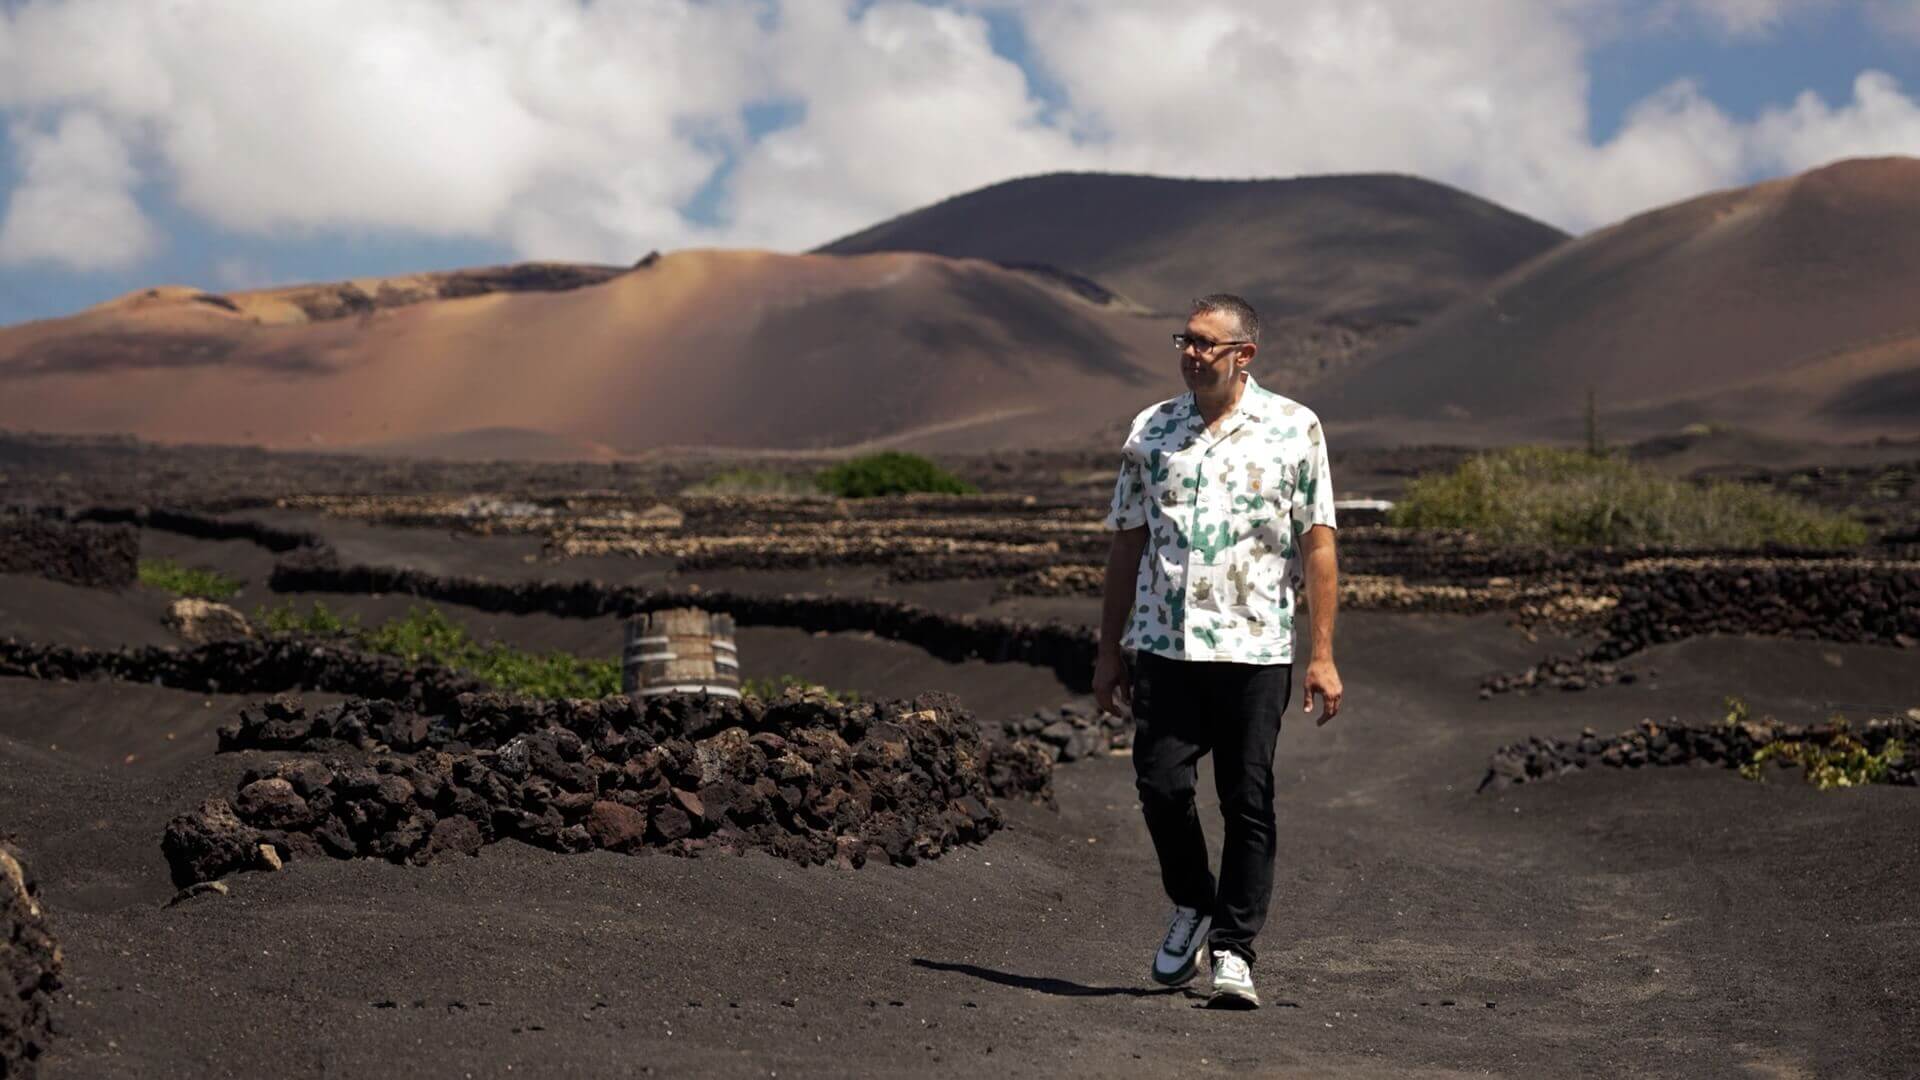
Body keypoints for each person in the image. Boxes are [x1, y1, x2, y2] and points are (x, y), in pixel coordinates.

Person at [1094, 293, 1343, 1009]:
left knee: (1247, 799)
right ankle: (1193, 902)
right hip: (1167, 647)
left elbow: (1318, 546)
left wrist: (1321, 654)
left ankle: (1234, 951)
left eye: (1206, 343)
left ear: (1244, 354)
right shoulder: (1153, 428)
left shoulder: (1295, 429)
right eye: (1185, 340)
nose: (1191, 353)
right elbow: (1126, 542)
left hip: (1255, 647)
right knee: (1161, 784)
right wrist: (1107, 651)